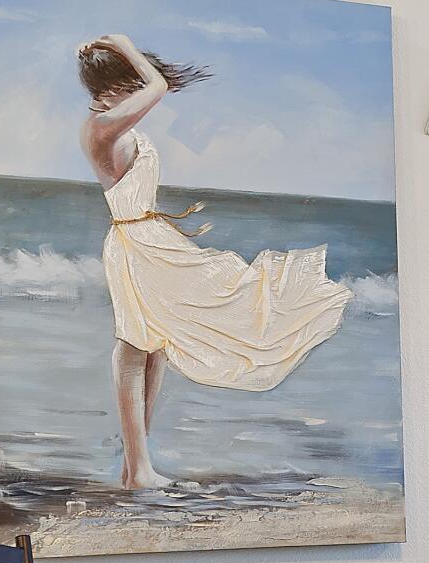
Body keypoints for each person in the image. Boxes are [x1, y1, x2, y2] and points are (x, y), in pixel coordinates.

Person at [77, 34, 352, 488]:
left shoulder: (115, 123)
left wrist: (127, 57)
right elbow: (158, 86)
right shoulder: (102, 125)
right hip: (134, 243)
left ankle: (135, 467)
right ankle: (138, 468)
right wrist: (126, 46)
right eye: (127, 84)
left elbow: (154, 87)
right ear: (109, 88)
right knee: (134, 343)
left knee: (156, 342)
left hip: (149, 238)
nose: (136, 91)